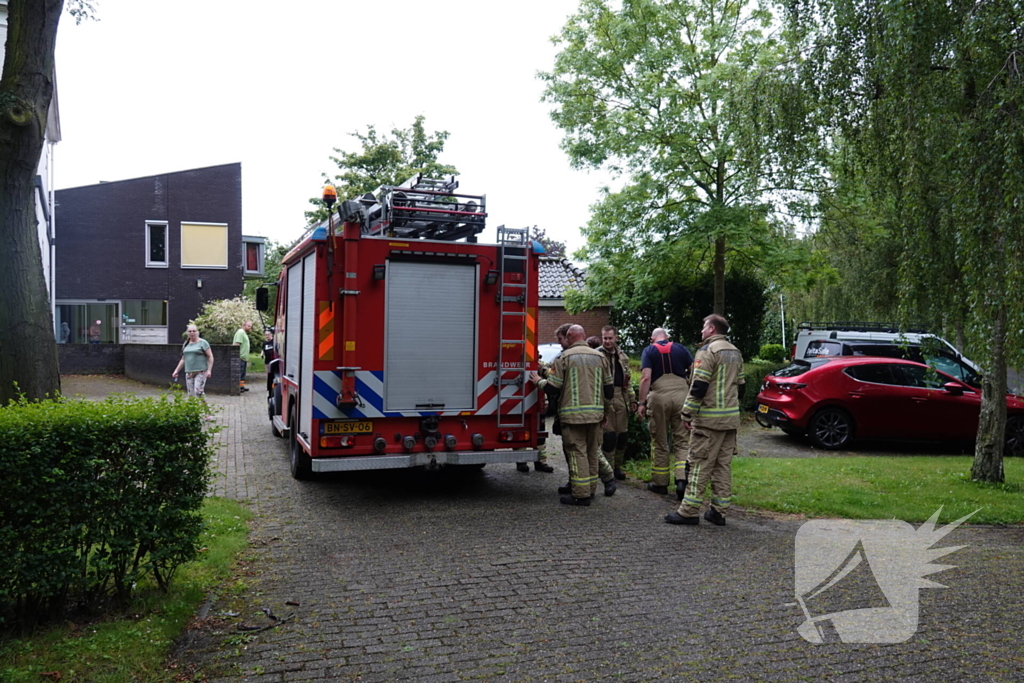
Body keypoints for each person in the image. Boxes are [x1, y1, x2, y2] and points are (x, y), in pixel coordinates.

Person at [665, 314, 745, 527]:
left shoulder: (707, 351)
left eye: (703, 326)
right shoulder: (735, 352)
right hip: (730, 421)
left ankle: (689, 511)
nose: (701, 331)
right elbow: (742, 387)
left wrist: (687, 413)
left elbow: (699, 386)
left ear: (711, 329)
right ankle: (718, 512)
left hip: (708, 422)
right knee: (722, 466)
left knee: (699, 464)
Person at [536, 324, 613, 506]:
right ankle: (590, 490)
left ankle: (580, 494)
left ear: (570, 336)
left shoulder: (564, 357)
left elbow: (553, 388)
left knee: (577, 452)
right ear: (583, 336)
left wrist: (538, 381)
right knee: (592, 452)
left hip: (573, 418)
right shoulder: (601, 357)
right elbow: (609, 391)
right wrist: (605, 412)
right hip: (595, 416)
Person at [638, 328, 693, 499]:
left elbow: (646, 377)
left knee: (660, 440)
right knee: (683, 440)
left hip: (659, 397)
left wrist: (641, 402)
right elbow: (693, 371)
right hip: (682, 396)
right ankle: (682, 481)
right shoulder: (681, 348)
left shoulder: (649, 350)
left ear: (651, 339)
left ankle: (660, 483)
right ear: (668, 337)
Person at [598, 325, 636, 480]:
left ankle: (617, 468)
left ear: (616, 338)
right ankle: (608, 471)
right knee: (609, 437)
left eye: (610, 338)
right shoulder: (597, 355)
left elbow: (628, 380)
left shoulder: (623, 356)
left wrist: (632, 399)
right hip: (604, 397)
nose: (607, 341)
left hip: (621, 396)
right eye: (605, 338)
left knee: (622, 436)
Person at [172, 324, 215, 418]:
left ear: (197, 332)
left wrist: (209, 370)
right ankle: (192, 413)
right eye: (190, 331)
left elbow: (210, 356)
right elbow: (183, 359)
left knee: (198, 391)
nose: (192, 333)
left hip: (201, 371)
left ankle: (207, 412)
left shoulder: (203, 343)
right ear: (187, 333)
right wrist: (176, 370)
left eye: (194, 331)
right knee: (191, 393)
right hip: (189, 372)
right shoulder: (186, 344)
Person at [233, 321, 253, 392]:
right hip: (240, 357)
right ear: (244, 325)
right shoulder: (241, 332)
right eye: (249, 326)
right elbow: (237, 344)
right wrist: (237, 356)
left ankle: (241, 387)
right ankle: (238, 387)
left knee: (242, 374)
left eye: (251, 326)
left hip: (243, 358)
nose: (250, 328)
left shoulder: (243, 333)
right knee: (240, 373)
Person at [262, 328, 278, 393]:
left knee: (273, 373)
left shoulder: (274, 341)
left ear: (271, 335)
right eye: (266, 335)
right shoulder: (264, 342)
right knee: (268, 373)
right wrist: (262, 354)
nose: (267, 336)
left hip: (273, 360)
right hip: (267, 360)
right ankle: (268, 386)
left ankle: (273, 386)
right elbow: (263, 350)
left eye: (268, 335)